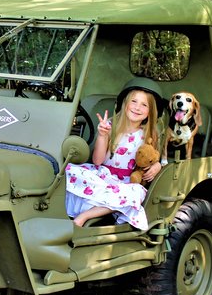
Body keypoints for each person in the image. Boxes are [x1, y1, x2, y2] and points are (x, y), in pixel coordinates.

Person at [65, 79, 164, 229]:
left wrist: (157, 166)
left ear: (150, 111)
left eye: (144, 105)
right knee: (71, 171)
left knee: (136, 193)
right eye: (134, 101)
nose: (137, 108)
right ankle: (93, 206)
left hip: (125, 183)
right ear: (125, 104)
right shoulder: (111, 126)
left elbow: (154, 158)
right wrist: (102, 135)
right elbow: (97, 161)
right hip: (103, 176)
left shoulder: (148, 135)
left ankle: (85, 216)